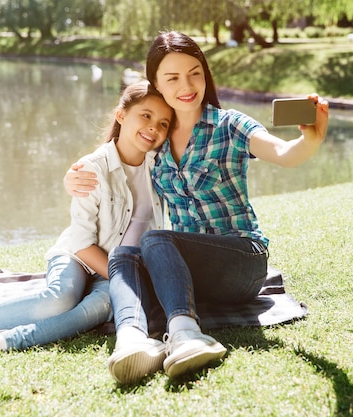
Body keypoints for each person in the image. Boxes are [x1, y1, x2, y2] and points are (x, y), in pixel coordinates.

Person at [64, 30, 330, 384]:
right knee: (123, 256)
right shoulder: (155, 142)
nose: (186, 85)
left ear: (205, 75)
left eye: (194, 73)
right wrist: (74, 176)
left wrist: (309, 139)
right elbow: (115, 161)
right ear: (156, 84)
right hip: (192, 271)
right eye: (172, 78)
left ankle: (186, 335)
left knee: (157, 240)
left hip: (242, 261)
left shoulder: (230, 125)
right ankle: (131, 340)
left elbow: (284, 153)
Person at [0, 80, 173, 365]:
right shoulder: (92, 169)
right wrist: (120, 277)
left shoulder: (163, 168)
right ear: (121, 115)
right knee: (59, 299)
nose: (153, 128)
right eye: (146, 115)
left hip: (121, 272)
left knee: (100, 307)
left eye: (163, 123)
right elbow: (81, 243)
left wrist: (128, 277)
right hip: (79, 257)